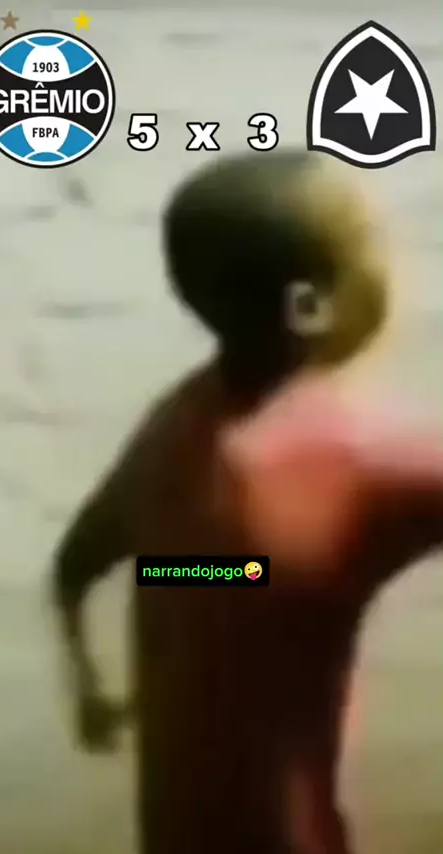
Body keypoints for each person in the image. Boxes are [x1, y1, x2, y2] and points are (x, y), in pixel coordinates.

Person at [51, 151, 442, 854]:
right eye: (371, 248)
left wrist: (92, 687)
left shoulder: (177, 421)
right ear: (307, 307)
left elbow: (77, 565)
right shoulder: (359, 459)